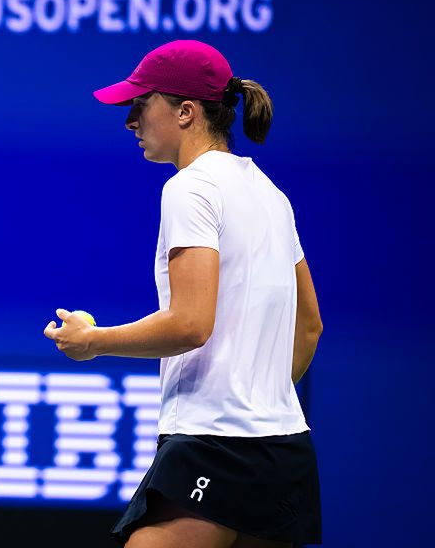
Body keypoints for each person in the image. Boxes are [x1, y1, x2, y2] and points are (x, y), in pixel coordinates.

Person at [43, 40, 322, 548]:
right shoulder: (271, 195)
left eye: (141, 104)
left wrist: (95, 340)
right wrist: (255, 397)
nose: (130, 121)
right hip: (284, 452)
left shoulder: (190, 188)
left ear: (187, 112)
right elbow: (309, 327)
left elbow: (191, 323)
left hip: (215, 447)